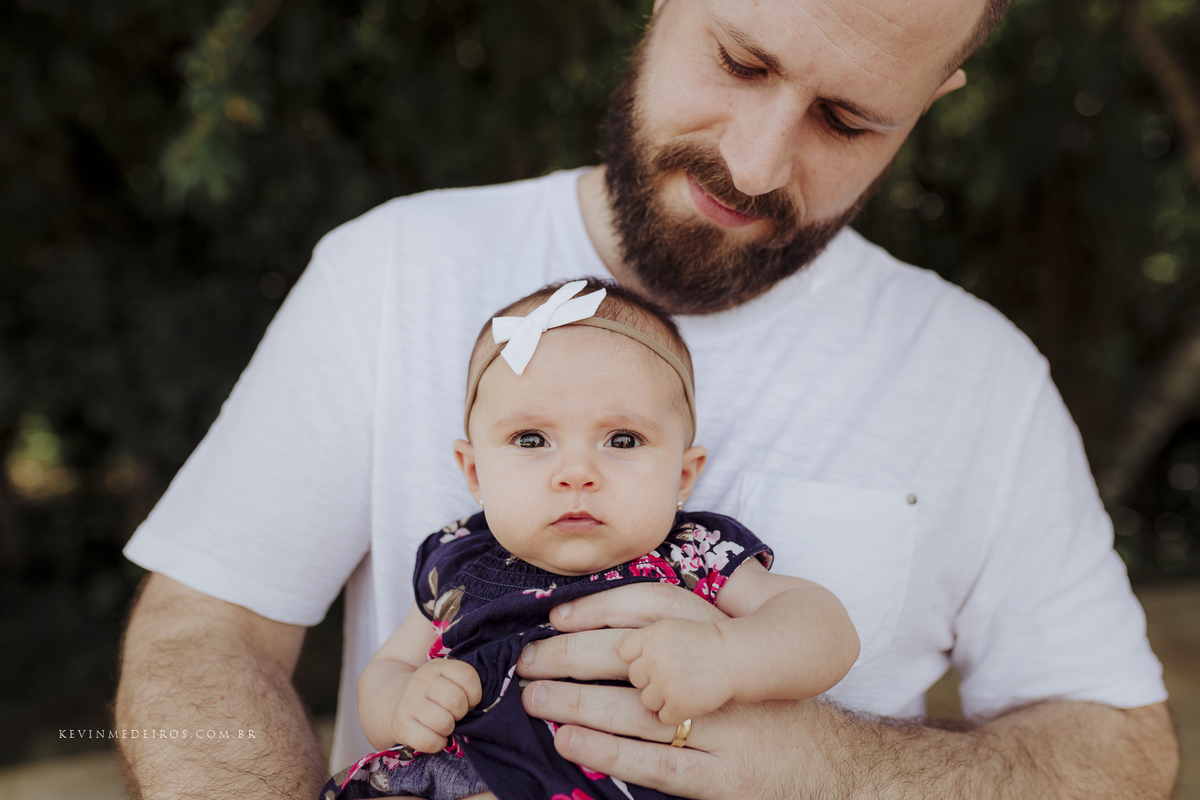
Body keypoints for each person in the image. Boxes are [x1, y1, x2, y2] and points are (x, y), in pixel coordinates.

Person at [116, 0, 1181, 798]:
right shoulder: (394, 268)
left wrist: (840, 766)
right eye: (740, 59)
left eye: (848, 119)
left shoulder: (980, 377)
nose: (755, 163)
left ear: (933, 96)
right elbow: (208, 633)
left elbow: (1122, 749)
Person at [327, 280, 859, 800]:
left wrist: (727, 656)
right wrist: (402, 702)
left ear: (682, 475)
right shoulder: (459, 556)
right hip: (460, 774)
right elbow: (388, 669)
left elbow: (824, 626)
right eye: (531, 438)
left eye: (622, 439)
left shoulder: (695, 552)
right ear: (474, 471)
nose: (576, 472)